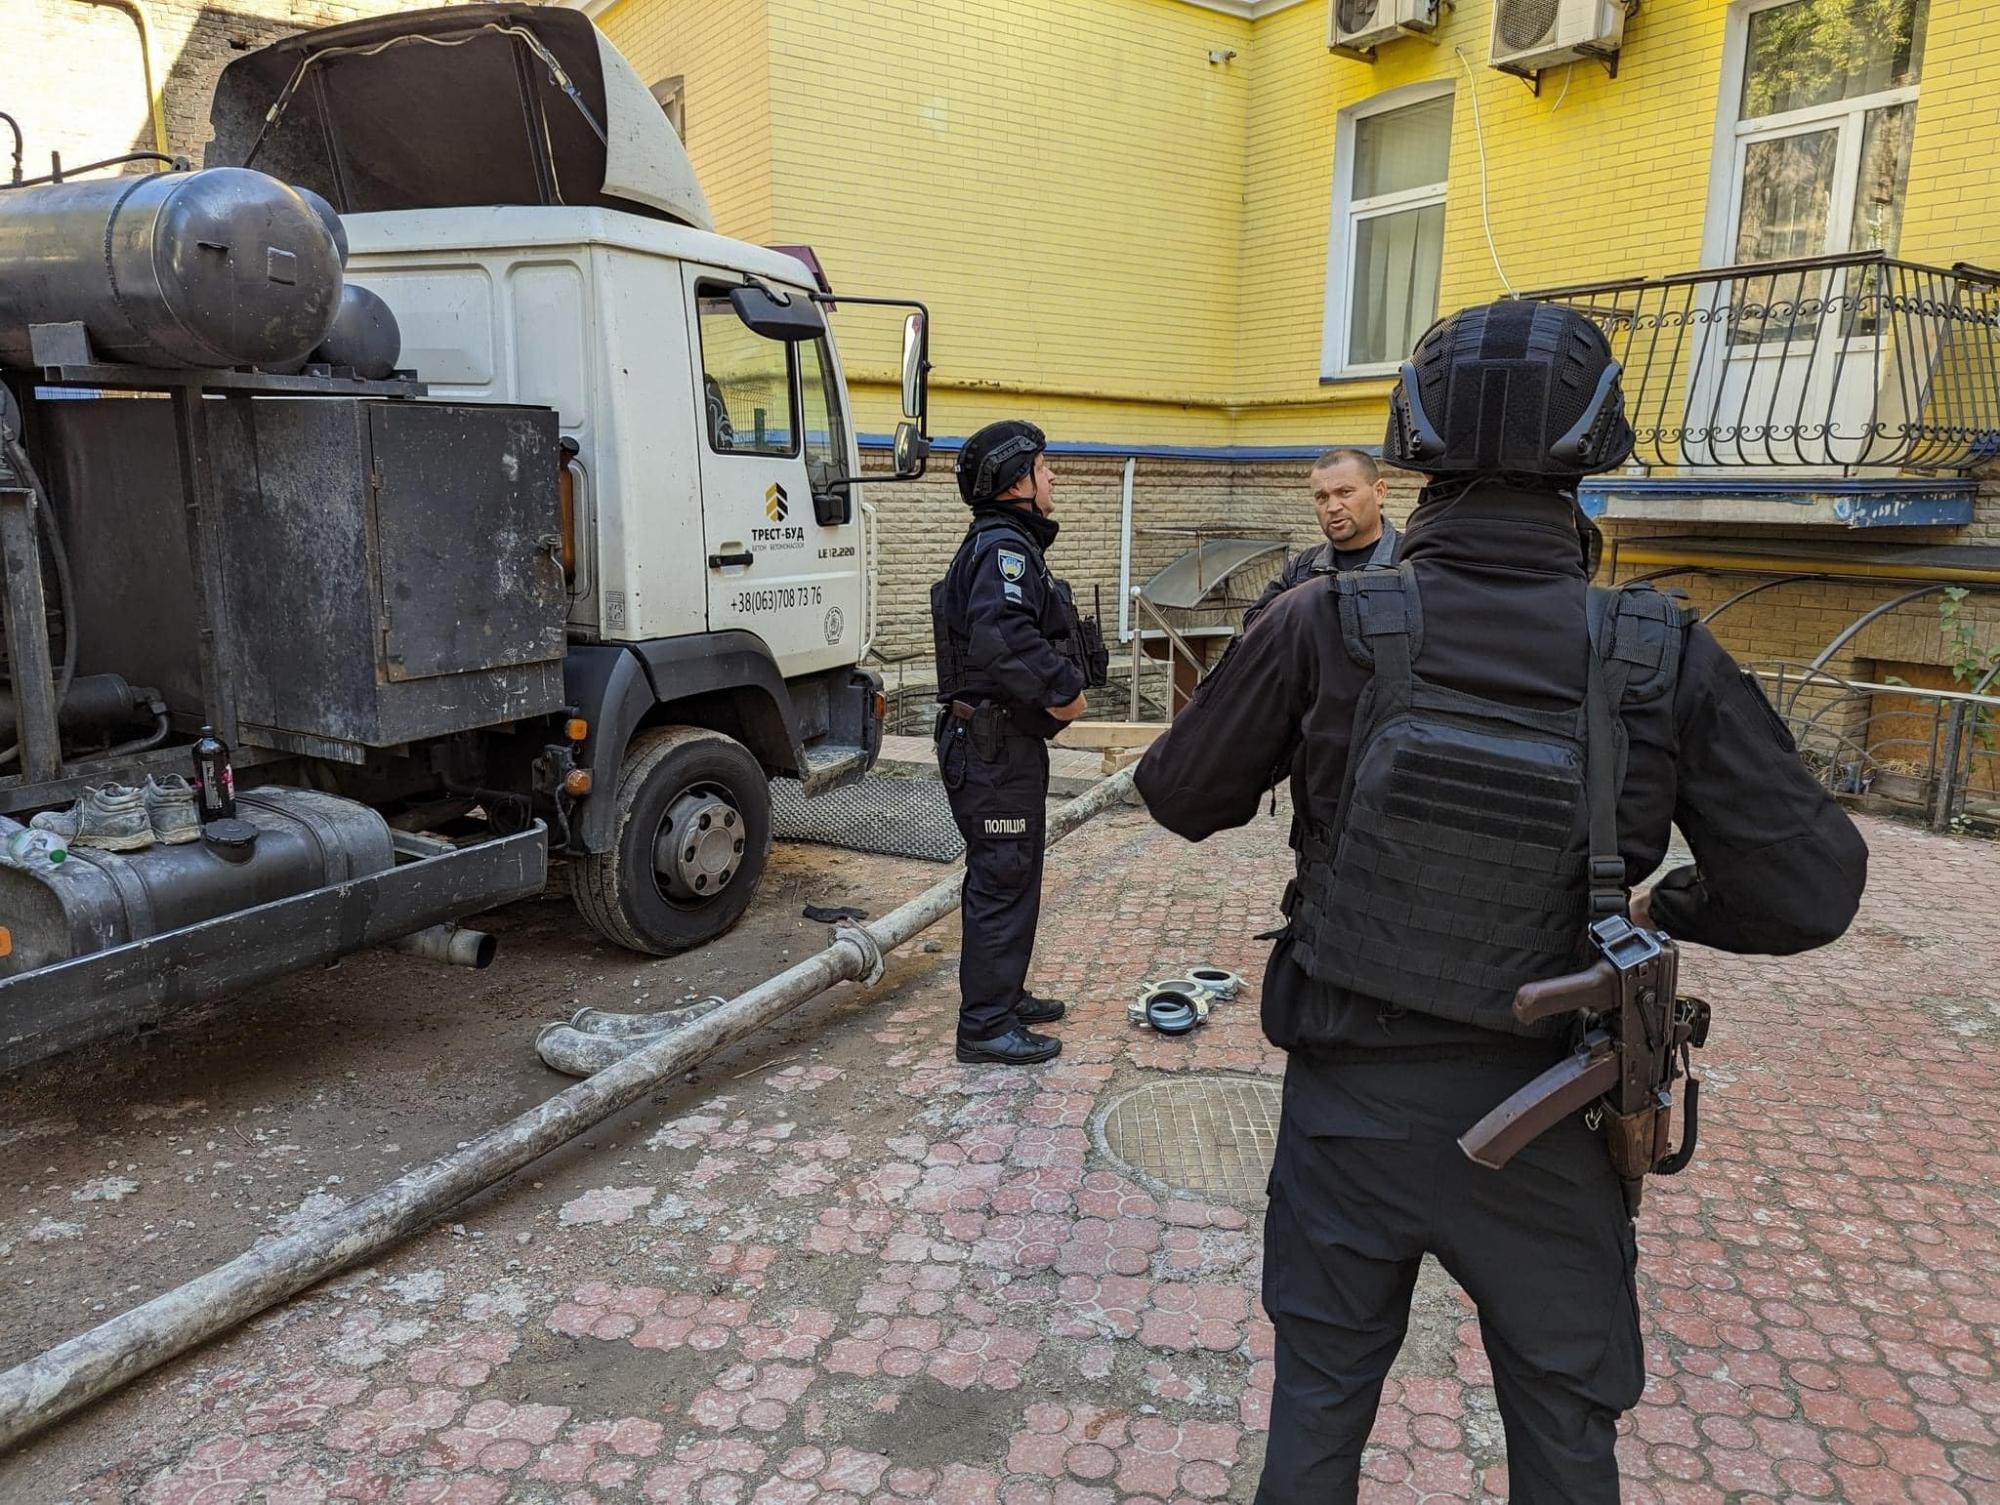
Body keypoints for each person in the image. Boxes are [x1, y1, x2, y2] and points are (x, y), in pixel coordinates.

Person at [1133, 301, 1868, 1502]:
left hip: (1346, 1111)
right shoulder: (1656, 648)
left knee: (1314, 1417)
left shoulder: (1325, 616)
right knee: (1564, 1441)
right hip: (1549, 1115)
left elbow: (1177, 794)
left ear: (1410, 446)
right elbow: (1812, 886)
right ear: (1595, 448)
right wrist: (1665, 899)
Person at [931, 420, 1101, 1066]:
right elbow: (1002, 636)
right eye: (1044, 466)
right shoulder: (1004, 549)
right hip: (992, 751)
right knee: (1002, 874)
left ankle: (1003, 995)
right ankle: (984, 1026)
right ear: (1016, 482)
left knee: (1015, 867)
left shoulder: (1007, 544)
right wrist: (1064, 691)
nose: (1053, 476)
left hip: (1002, 747)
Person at [1241, 448, 1399, 631]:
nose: (1332, 507)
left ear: (1379, 492)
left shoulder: (1413, 561)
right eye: (1322, 497)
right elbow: (1256, 627)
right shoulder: (1302, 570)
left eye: (1345, 492)